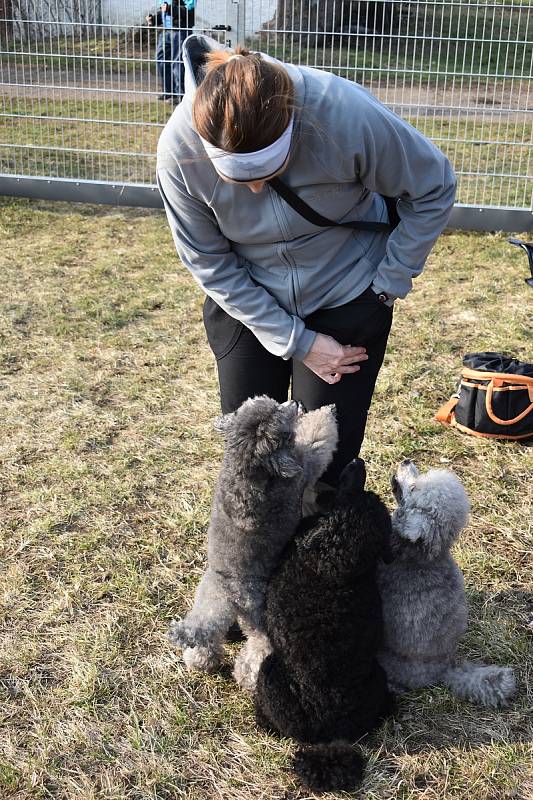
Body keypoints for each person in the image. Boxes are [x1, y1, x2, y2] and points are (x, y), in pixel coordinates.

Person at [156, 35, 457, 490]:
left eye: (268, 174)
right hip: (249, 295)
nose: (255, 192)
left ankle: (324, 552)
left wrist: (385, 287)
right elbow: (208, 260)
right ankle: (257, 558)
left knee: (326, 466)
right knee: (251, 460)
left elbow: (433, 186)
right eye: (237, 179)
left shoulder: (342, 113)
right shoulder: (178, 150)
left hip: (348, 286)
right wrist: (297, 341)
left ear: (293, 130)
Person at [146, 1, 195, 103]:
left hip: (181, 31)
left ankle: (180, 95)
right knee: (161, 59)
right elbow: (164, 13)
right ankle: (168, 92)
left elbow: (188, 12)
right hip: (167, 31)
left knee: (178, 64)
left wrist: (170, 9)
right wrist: (154, 20)